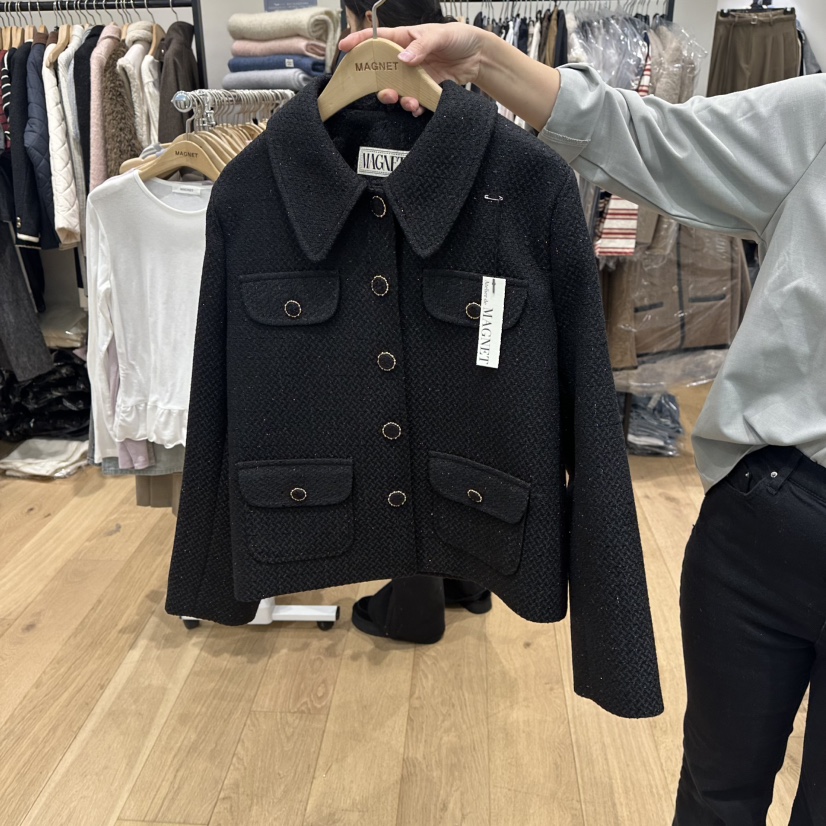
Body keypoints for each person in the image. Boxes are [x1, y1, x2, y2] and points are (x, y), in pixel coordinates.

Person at [339, 21, 826, 826]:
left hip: (766, 500)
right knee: (716, 789)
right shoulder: (820, 118)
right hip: (768, 513)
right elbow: (649, 134)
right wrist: (484, 58)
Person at [340, 0, 495, 647]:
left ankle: (415, 605)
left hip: (402, 268)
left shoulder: (372, 104)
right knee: (460, 405)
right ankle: (469, 578)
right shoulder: (467, 115)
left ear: (370, 20)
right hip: (478, 274)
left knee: (396, 400)